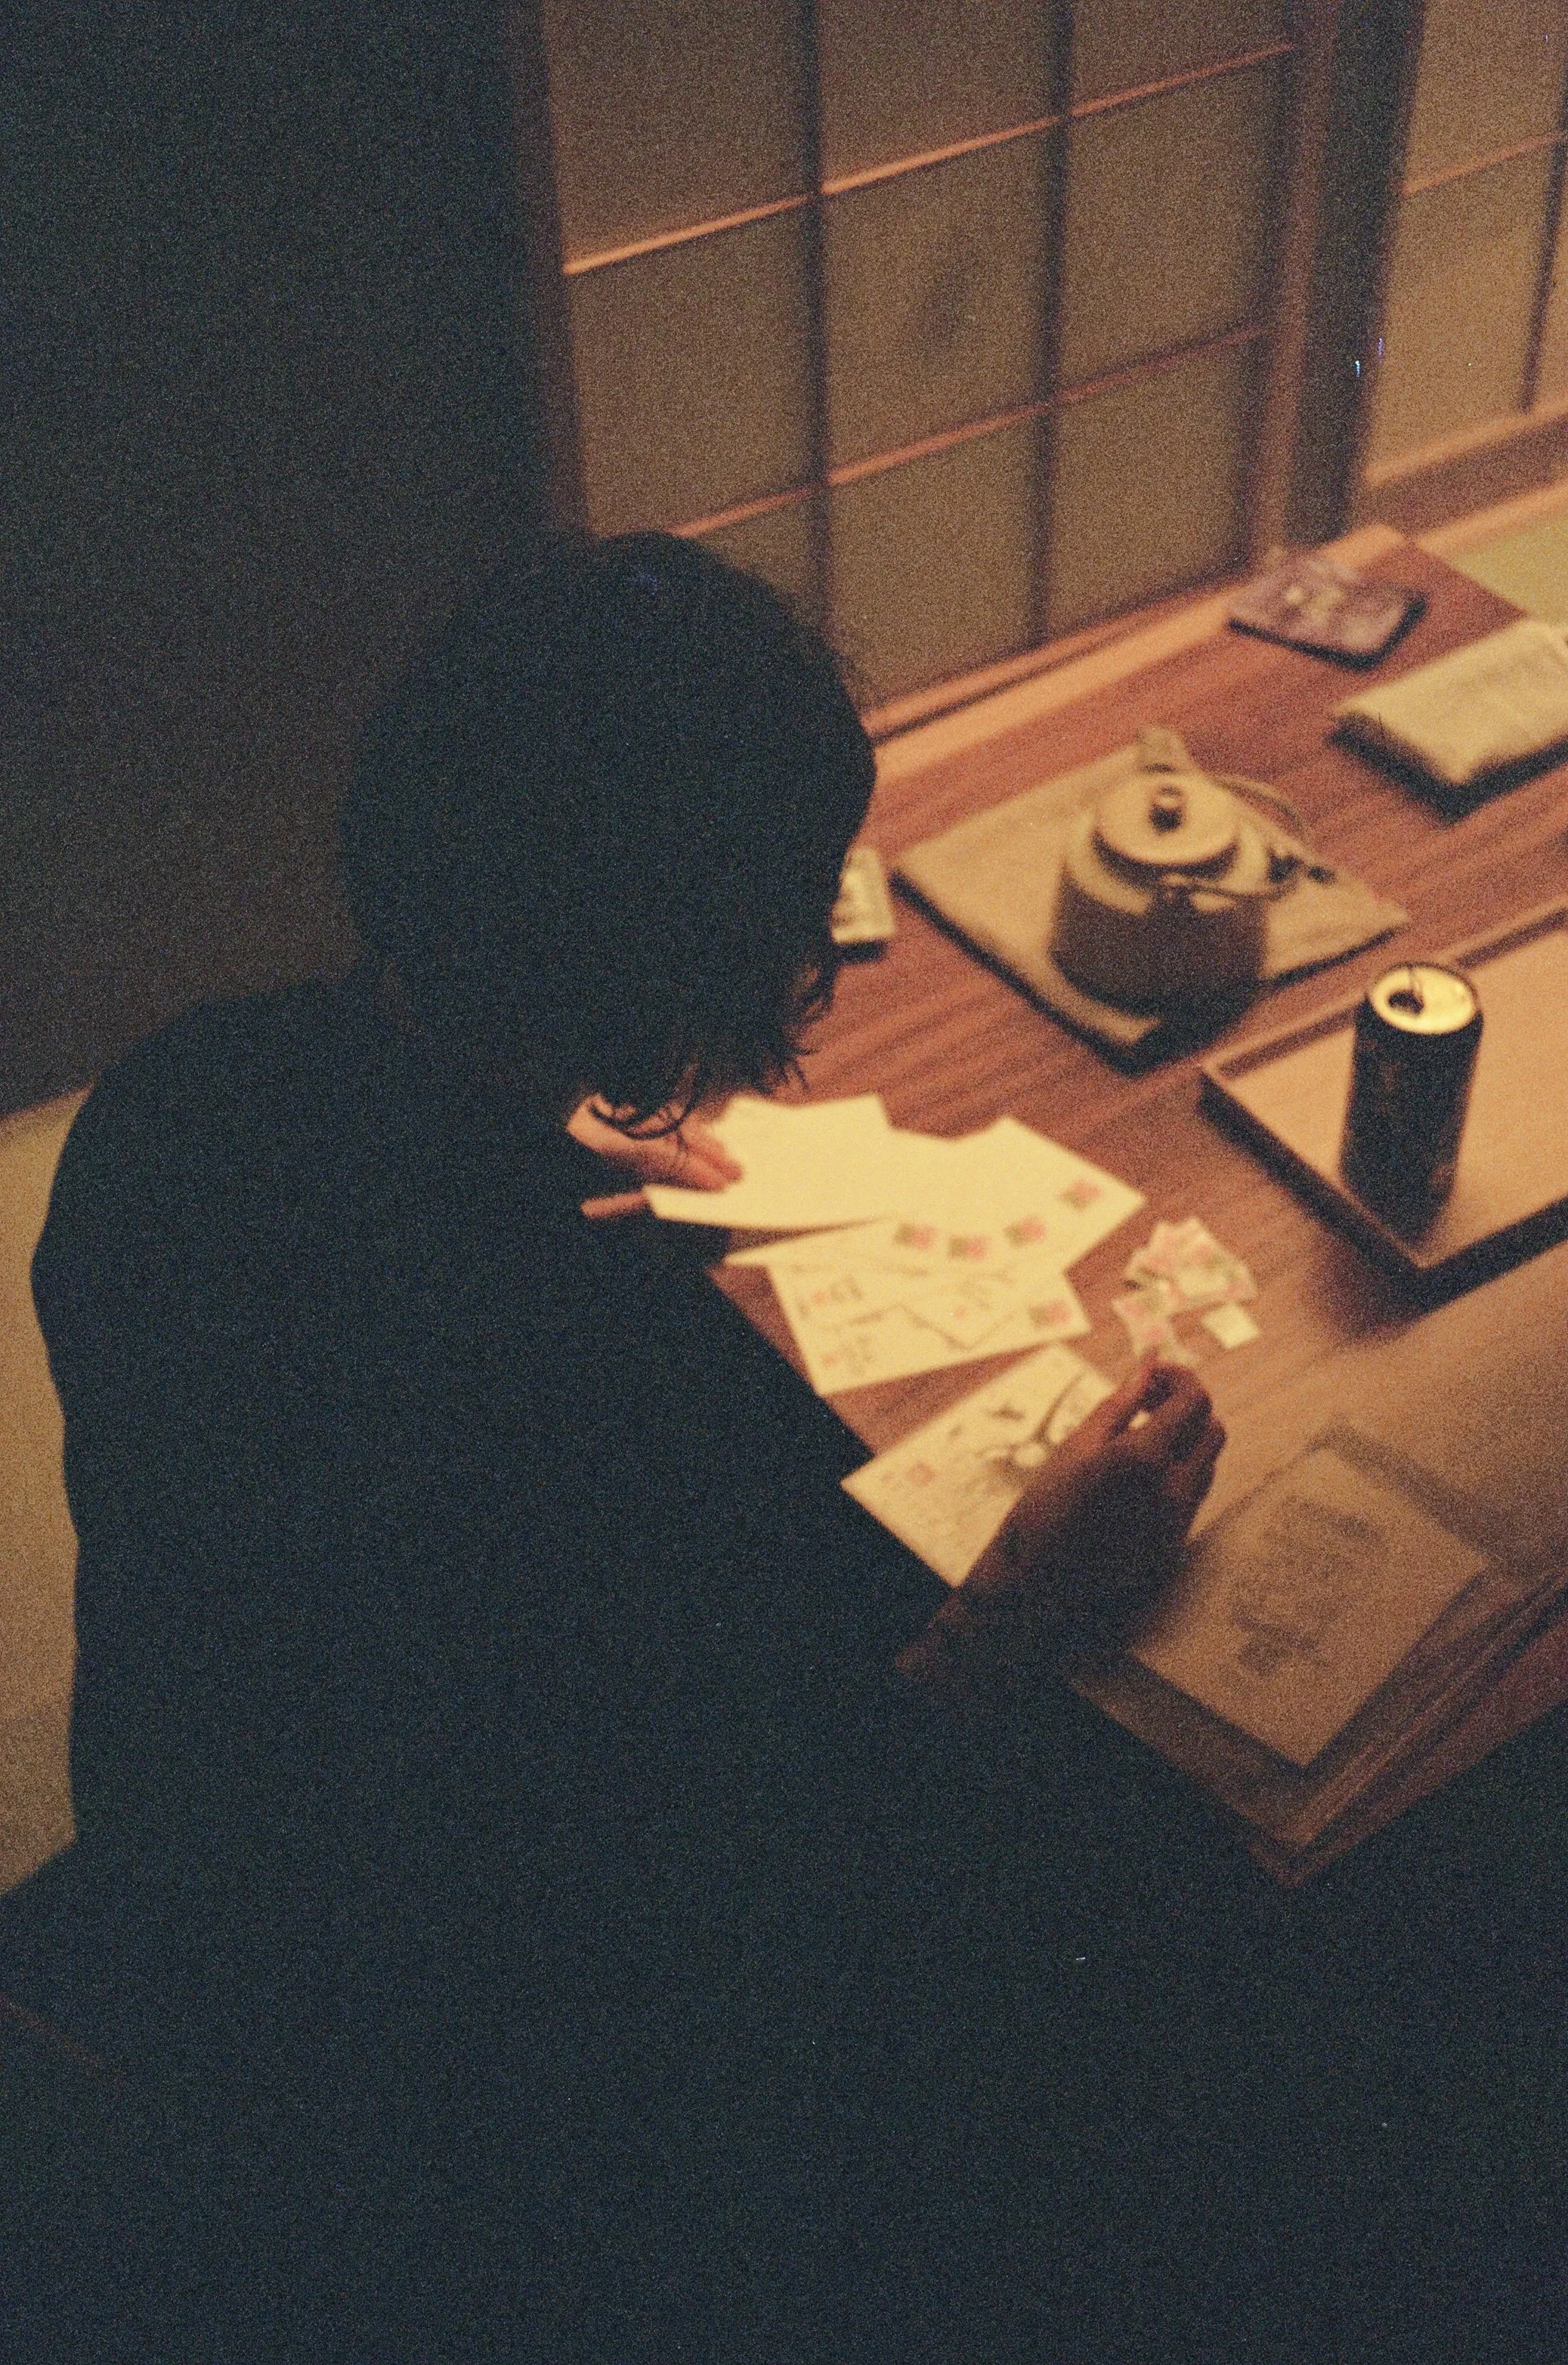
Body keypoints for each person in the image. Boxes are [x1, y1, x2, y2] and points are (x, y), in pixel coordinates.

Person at [14, 530, 1223, 2359]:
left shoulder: (176, 1099)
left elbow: (364, 1295)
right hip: (483, 2071)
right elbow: (749, 1834)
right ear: (690, 957)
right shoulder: (613, 1389)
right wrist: (1025, 1596)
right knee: (1131, 1884)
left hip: (200, 1857)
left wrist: (543, 1125)